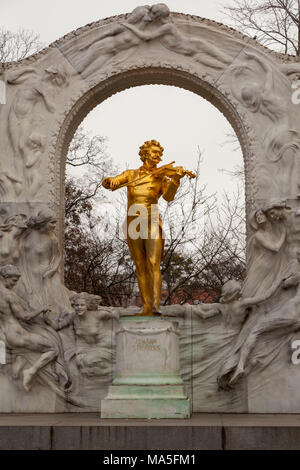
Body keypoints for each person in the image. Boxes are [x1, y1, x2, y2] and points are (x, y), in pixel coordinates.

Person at [102, 140, 186, 315]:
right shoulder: (131, 175)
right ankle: (146, 306)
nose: (158, 156)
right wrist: (108, 181)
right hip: (133, 217)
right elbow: (114, 183)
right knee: (140, 265)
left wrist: (175, 180)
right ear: (145, 154)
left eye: (159, 153)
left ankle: (155, 305)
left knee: (153, 262)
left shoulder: (161, 177)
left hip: (151, 217)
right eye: (154, 152)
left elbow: (168, 197)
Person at [0, 264, 58, 392]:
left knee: (24, 350)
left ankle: (18, 366)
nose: (15, 284)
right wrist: (41, 309)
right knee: (52, 348)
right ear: (5, 277)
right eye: (14, 280)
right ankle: (30, 372)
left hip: (3, 337)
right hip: (15, 335)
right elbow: (24, 317)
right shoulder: (9, 295)